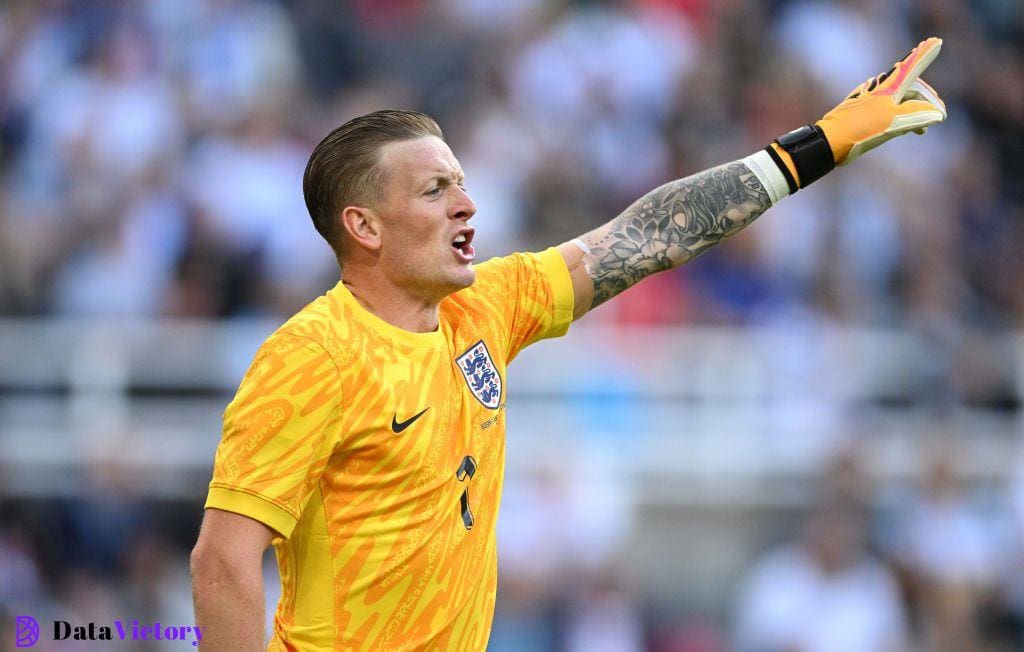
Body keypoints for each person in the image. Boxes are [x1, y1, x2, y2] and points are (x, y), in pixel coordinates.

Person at [190, 38, 947, 651]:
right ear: (363, 226)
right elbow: (223, 559)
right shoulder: (312, 357)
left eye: (460, 181)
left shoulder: (484, 306)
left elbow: (644, 238)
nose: (467, 203)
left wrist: (816, 147)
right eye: (434, 190)